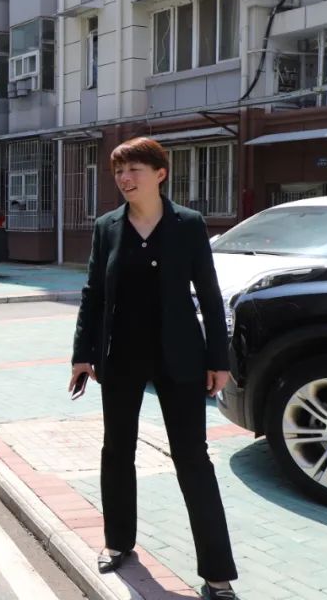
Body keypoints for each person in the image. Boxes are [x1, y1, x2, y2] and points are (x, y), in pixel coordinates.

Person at [69, 137, 238, 600]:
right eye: (119, 171)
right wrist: (82, 354)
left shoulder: (189, 224)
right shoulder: (107, 227)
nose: (124, 179)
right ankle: (118, 541)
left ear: (160, 174)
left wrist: (218, 360)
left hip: (180, 358)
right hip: (120, 356)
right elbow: (93, 294)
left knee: (193, 458)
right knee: (116, 451)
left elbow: (209, 294)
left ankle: (217, 573)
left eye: (134, 170)